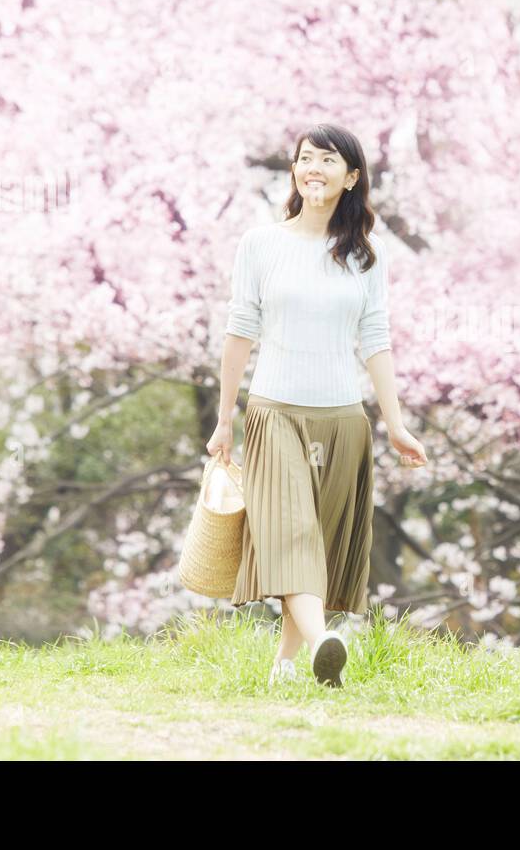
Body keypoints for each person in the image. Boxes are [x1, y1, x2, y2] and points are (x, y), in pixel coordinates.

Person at [206, 123, 427, 689]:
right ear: (294, 171)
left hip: (343, 419)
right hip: (275, 410)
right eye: (306, 158)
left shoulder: (365, 258)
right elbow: (239, 331)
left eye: (328, 161)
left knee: (319, 544)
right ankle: (324, 642)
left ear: (351, 177)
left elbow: (375, 340)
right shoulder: (262, 244)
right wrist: (224, 417)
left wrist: (395, 423)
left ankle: (286, 663)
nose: (314, 169)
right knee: (291, 533)